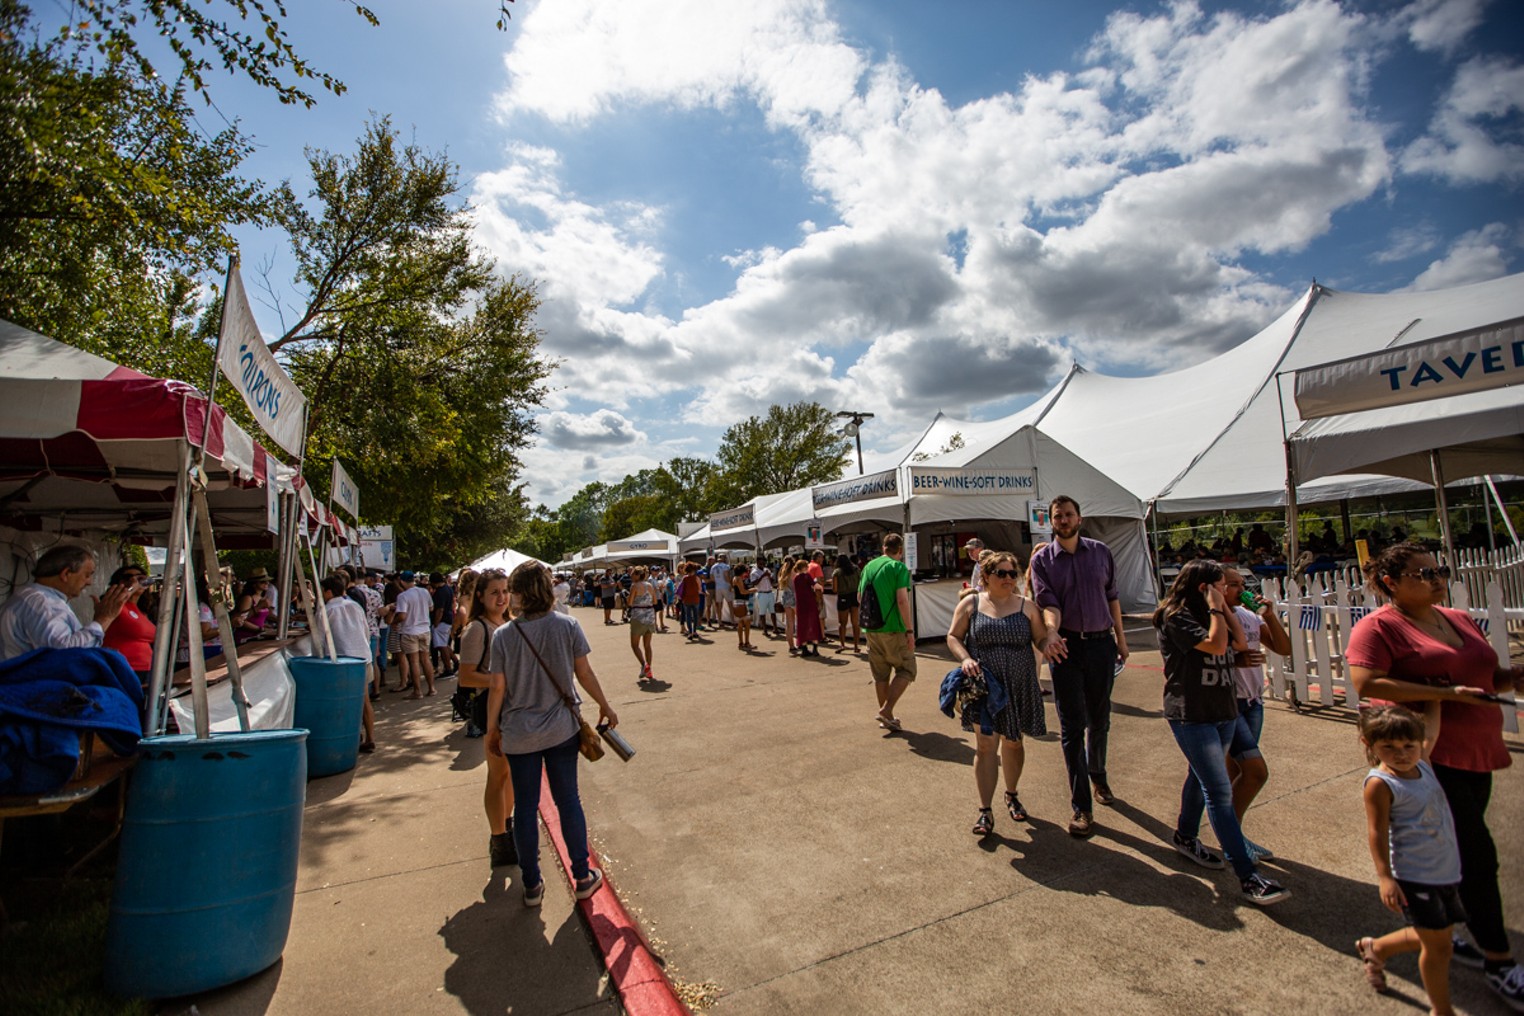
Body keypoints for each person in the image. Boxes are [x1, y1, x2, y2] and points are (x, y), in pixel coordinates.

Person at [1348, 543, 1524, 1010]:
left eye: (1437, 570)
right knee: (1477, 853)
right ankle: (1500, 959)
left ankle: (1430, 935)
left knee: (1461, 857)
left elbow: (1483, 677)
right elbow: (1367, 683)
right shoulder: (1379, 627)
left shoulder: (1457, 619)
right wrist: (1443, 695)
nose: (1434, 578)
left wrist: (1510, 677)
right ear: (1390, 582)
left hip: (1477, 751)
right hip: (1427, 757)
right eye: (1421, 573)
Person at [1154, 559, 1290, 906]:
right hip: (1192, 714)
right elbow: (1217, 647)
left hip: (1223, 711)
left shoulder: (1216, 614)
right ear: (1203, 588)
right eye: (1220, 585)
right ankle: (1247, 876)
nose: (1230, 590)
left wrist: (1226, 609)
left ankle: (1185, 836)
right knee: (1218, 791)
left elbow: (1241, 642)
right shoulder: (1177, 616)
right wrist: (1216, 609)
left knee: (1201, 778)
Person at [484, 562, 618, 908]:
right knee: (568, 800)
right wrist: (604, 705)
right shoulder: (567, 626)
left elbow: (497, 688)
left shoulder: (504, 636)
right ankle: (582, 875)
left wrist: (491, 729)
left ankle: (531, 884)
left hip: (518, 733)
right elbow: (584, 673)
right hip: (561, 729)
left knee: (526, 808)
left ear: (515, 593)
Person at [1029, 495, 1129, 838]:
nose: (1064, 520)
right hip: (1066, 648)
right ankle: (1081, 806)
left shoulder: (1100, 552)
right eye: (1058, 516)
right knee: (1072, 726)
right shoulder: (1043, 560)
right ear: (1052, 521)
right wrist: (1052, 631)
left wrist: (1121, 638)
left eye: (1069, 514)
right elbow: (1048, 603)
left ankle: (1098, 777)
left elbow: (1112, 596)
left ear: (1079, 518)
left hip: (1102, 644)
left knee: (1100, 719)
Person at [1354, 705, 1463, 1015]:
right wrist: (1385, 877)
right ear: (1369, 744)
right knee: (1440, 948)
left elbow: (1431, 731)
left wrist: (1438, 697)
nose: (1401, 753)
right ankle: (1442, 1011)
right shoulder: (1380, 784)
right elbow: (1376, 832)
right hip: (1416, 873)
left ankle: (1376, 948)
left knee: (1437, 933)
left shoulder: (1423, 764)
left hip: (1445, 867)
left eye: (1408, 746)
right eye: (1388, 747)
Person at [946, 551, 1050, 835]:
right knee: (985, 745)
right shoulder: (971, 604)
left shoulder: (1027, 606)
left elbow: (1041, 637)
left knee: (1014, 742)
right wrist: (965, 658)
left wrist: (1051, 641)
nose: (1008, 578)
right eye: (1001, 573)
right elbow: (953, 636)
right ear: (986, 577)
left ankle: (1012, 793)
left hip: (1019, 684)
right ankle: (985, 810)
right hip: (984, 686)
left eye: (1012, 573)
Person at [1221, 567, 1291, 862]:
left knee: (1236, 773)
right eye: (1233, 585)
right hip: (1230, 703)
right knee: (1255, 771)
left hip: (1253, 702)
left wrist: (1270, 616)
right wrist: (1234, 659)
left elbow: (1283, 648)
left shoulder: (1249, 617)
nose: (1241, 589)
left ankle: (1235, 834)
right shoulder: (1216, 618)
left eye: (1242, 584)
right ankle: (1231, 840)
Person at [457, 569, 516, 867]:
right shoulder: (477, 628)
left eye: (505, 591)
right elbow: (466, 676)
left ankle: (507, 823)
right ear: (480, 595)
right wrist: (497, 680)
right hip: (492, 709)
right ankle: (500, 839)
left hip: (515, 709)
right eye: (495, 592)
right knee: (498, 775)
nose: (502, 597)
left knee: (512, 775)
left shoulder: (508, 623)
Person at [0, 545, 132, 661]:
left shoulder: (35, 597)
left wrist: (101, 621)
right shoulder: (42, 603)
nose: (90, 582)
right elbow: (66, 653)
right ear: (66, 574)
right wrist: (104, 618)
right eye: (87, 575)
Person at [859, 533, 916, 731]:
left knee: (880, 674)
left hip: (872, 628)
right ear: (900, 550)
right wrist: (909, 631)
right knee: (907, 669)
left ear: (883, 548)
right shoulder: (898, 568)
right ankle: (887, 709)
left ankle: (887, 716)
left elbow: (860, 598)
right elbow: (902, 600)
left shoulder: (868, 567)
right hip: (893, 628)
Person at [320, 575, 375, 753]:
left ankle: (352, 737)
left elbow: (320, 639)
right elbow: (365, 630)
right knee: (365, 700)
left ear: (328, 592)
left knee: (346, 703)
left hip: (342, 660)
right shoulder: (354, 606)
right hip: (362, 656)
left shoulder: (326, 610)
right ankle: (370, 737)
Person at [102, 564, 155, 686]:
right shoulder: (115, 604)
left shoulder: (141, 611)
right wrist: (131, 588)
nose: (134, 581)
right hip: (121, 666)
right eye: (128, 578)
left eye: (140, 578)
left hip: (144, 668)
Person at [392, 571, 436, 698]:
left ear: (402, 581)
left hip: (410, 630)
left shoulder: (403, 596)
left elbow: (402, 615)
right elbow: (431, 608)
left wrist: (394, 622)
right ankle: (431, 688)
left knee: (414, 662)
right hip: (424, 628)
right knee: (426, 659)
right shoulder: (424, 592)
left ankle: (417, 691)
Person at [627, 565, 659, 683]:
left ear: (637, 575)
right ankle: (649, 668)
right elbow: (655, 601)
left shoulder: (634, 586)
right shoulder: (649, 585)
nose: (630, 575)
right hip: (650, 615)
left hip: (638, 616)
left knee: (635, 645)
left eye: (632, 574)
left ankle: (643, 664)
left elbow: (630, 602)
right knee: (647, 645)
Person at [791, 558, 823, 657]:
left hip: (800, 604)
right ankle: (815, 649)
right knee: (813, 623)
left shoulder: (795, 578)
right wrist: (820, 587)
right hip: (810, 602)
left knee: (802, 624)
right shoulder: (807, 576)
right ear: (804, 567)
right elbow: (815, 585)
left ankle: (804, 648)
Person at [430, 573, 458, 678]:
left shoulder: (440, 592)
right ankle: (455, 662)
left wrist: (436, 623)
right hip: (448, 619)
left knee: (442, 646)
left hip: (441, 621)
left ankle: (448, 669)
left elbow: (440, 609)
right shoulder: (448, 589)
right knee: (445, 644)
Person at [832, 553, 861, 653]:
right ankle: (856, 646)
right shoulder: (856, 569)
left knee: (842, 623)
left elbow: (835, 589)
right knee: (855, 623)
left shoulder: (837, 572)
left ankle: (842, 645)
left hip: (843, 597)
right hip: (854, 596)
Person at [731, 561, 754, 651]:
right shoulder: (739, 579)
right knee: (747, 623)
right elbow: (743, 591)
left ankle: (741, 642)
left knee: (740, 624)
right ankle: (747, 642)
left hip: (736, 601)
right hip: (743, 602)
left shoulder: (734, 578)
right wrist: (753, 590)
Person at [750, 560, 777, 637]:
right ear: (757, 563)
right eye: (760, 563)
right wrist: (762, 576)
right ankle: (764, 630)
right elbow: (754, 583)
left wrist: (769, 576)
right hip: (762, 593)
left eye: (763, 563)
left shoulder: (767, 570)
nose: (762, 564)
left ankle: (775, 628)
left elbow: (772, 581)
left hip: (769, 592)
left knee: (773, 611)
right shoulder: (754, 572)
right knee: (762, 613)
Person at [677, 562, 703, 640]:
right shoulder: (697, 578)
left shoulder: (685, 578)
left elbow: (681, 588)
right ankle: (694, 631)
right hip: (695, 599)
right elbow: (699, 589)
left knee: (688, 616)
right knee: (695, 616)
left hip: (686, 599)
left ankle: (690, 632)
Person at [779, 554, 798, 652]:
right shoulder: (794, 571)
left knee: (789, 623)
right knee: (798, 621)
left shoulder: (783, 572)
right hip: (794, 597)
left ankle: (791, 645)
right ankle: (800, 642)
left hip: (786, 597)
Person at [711, 555, 733, 630]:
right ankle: (732, 621)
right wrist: (730, 583)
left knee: (719, 605)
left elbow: (712, 577)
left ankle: (719, 621)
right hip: (725, 586)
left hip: (718, 587)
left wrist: (718, 581)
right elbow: (726, 575)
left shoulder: (713, 567)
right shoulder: (725, 566)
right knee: (730, 604)